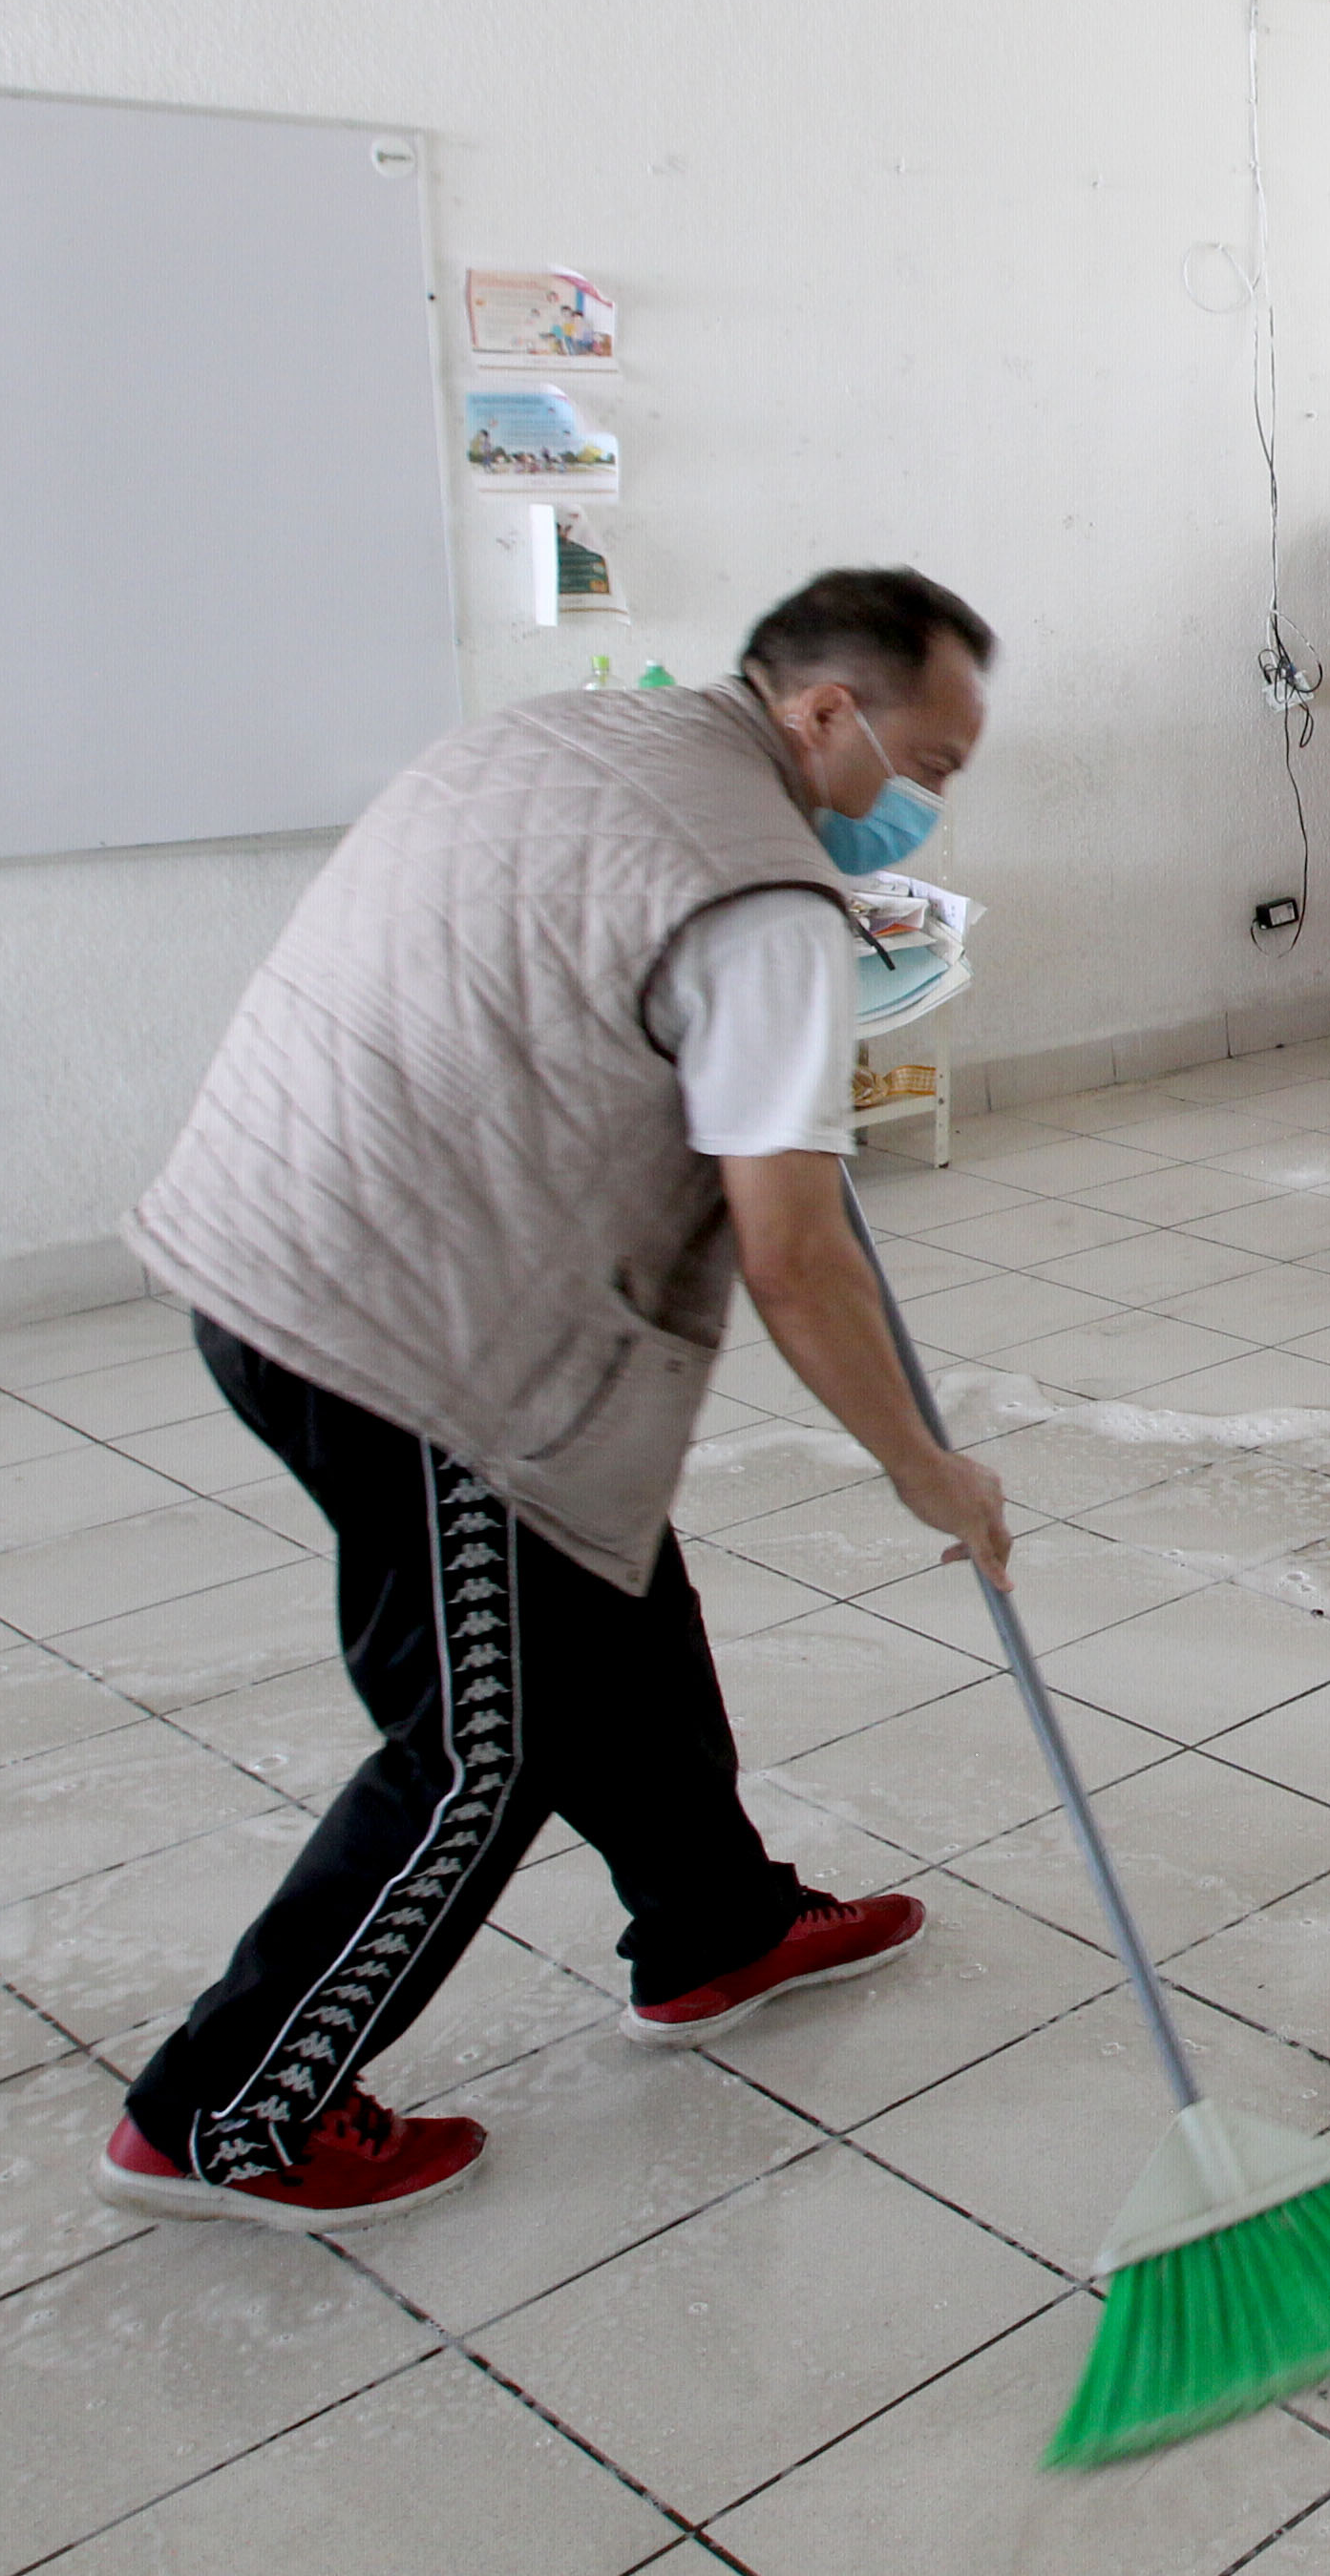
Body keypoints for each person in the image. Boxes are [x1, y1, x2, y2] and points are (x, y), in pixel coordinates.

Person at [97, 569, 1021, 2228]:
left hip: (292, 1227)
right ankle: (224, 2112)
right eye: (931, 766)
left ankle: (713, 1923)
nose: (926, 803)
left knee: (606, 1581)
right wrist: (925, 1465)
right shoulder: (760, 899)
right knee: (480, 1734)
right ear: (826, 711)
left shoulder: (575, 736)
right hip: (410, 1332)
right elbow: (793, 1252)